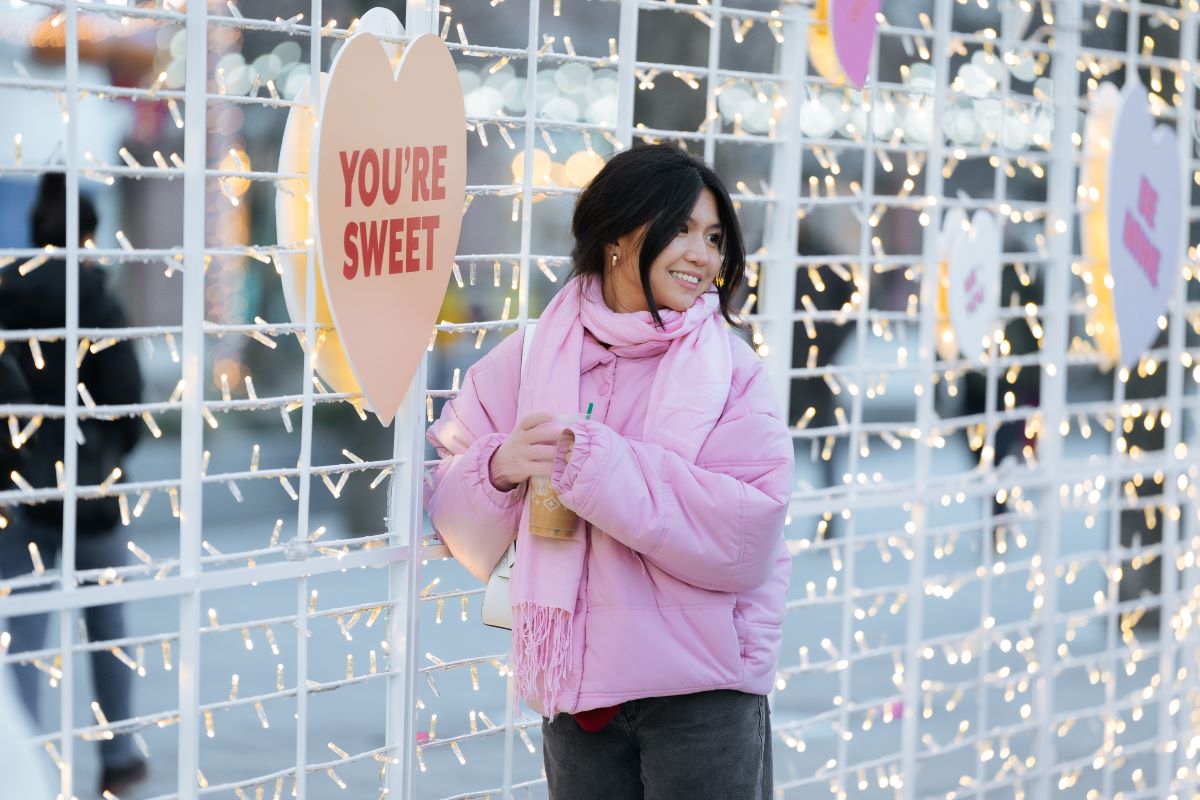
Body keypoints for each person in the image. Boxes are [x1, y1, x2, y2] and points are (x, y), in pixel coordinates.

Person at [426, 144, 794, 799]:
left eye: (714, 238)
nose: (703, 255)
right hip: (581, 701)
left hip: (702, 696)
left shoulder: (734, 373)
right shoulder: (531, 358)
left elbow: (748, 537)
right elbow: (448, 507)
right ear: (620, 236)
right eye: (680, 230)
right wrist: (501, 468)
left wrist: (600, 468)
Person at [0, 172, 147, 795]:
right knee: (107, 628)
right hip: (94, 496)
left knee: (22, 636)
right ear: (87, 235)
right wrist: (103, 456)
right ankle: (118, 756)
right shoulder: (99, 299)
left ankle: (24, 764)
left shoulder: (4, 294)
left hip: (17, 493)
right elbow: (128, 399)